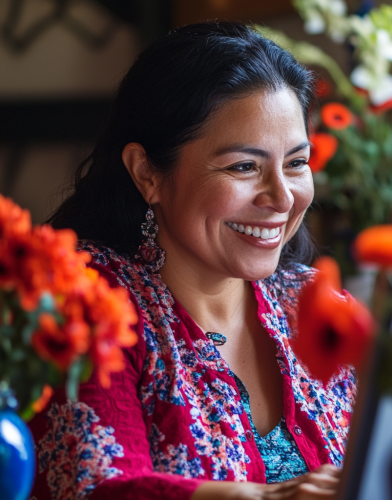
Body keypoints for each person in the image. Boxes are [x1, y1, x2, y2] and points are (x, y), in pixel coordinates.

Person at [29, 21, 356, 500]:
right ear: (147, 173)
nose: (282, 197)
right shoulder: (85, 302)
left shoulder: (317, 303)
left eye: (296, 163)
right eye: (244, 167)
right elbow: (95, 486)